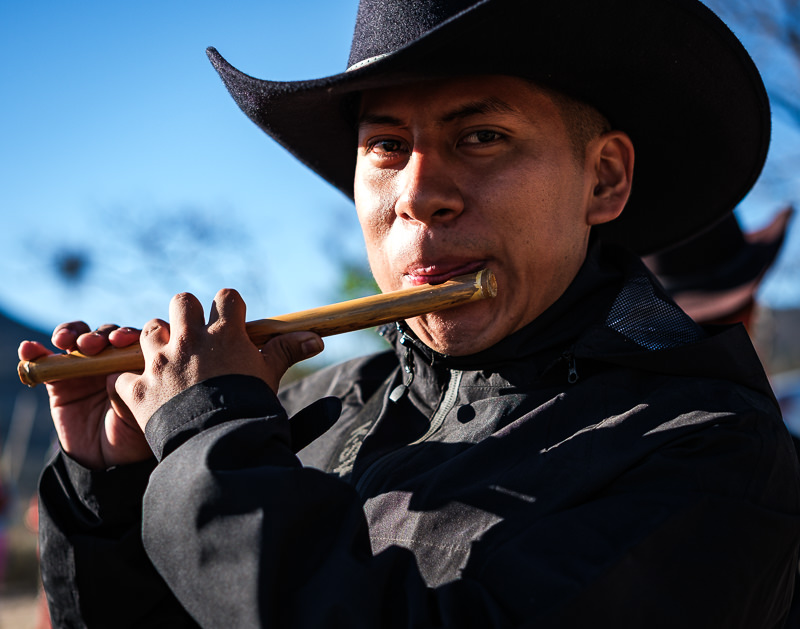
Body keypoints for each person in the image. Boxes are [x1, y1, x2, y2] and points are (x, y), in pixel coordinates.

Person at [18, 0, 800, 626]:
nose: (419, 194)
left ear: (603, 179)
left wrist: (207, 445)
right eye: (387, 145)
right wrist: (115, 491)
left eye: (483, 136)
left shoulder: (707, 448)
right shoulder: (306, 410)